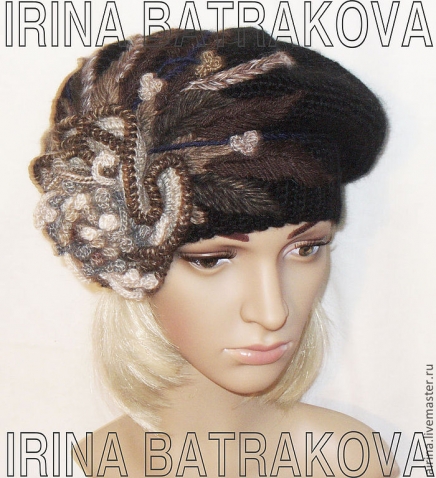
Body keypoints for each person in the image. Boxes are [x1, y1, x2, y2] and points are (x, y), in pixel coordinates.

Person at [31, 27, 397, 477]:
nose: (272, 312)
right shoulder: (86, 461)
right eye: (212, 259)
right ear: (125, 265)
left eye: (306, 249)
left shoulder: (347, 461)